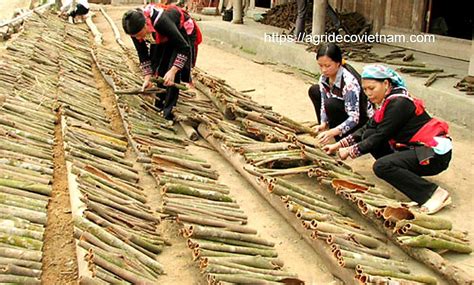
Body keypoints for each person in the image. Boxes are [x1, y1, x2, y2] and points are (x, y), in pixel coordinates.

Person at [323, 64, 452, 214]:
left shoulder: (399, 103)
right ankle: (404, 175)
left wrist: (350, 151)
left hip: (433, 154)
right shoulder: (387, 101)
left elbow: (381, 135)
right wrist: (337, 145)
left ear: (386, 84)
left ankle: (434, 194)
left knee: (382, 166)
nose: (368, 93)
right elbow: (368, 128)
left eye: (372, 88)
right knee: (368, 133)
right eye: (365, 89)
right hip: (414, 148)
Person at [122, 3, 202, 121]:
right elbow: (142, 53)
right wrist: (147, 78)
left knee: (171, 73)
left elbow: (183, 47)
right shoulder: (134, 29)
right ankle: (159, 104)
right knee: (159, 67)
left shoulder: (161, 22)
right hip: (163, 34)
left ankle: (168, 111)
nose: (139, 39)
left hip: (182, 33)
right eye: (135, 37)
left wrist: (173, 70)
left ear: (145, 25)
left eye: (139, 35)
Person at [308, 43, 373, 145]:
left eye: (328, 66)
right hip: (340, 111)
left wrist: (333, 132)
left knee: (331, 104)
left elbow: (354, 118)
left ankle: (338, 138)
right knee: (314, 91)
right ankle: (327, 129)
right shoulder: (324, 78)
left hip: (359, 120)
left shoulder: (349, 83)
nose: (324, 70)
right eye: (320, 66)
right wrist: (323, 123)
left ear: (338, 63)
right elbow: (323, 102)